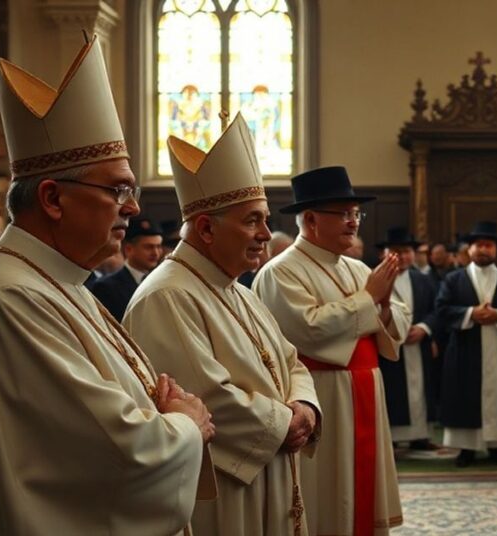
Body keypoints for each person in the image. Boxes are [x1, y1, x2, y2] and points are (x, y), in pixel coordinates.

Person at [0, 36, 213, 534]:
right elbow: (109, 447)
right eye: (117, 190)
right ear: (52, 198)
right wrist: (186, 423)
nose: (132, 207)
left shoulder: (63, 281)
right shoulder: (11, 293)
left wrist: (166, 415)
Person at [123, 115, 320, 536]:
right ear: (207, 228)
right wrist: (284, 422)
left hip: (271, 468)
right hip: (228, 490)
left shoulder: (237, 289)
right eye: (253, 220)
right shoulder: (168, 295)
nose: (266, 234)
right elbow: (205, 398)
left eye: (265, 220)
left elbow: (290, 361)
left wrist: (305, 407)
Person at [255, 166, 410, 536]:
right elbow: (307, 328)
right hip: (321, 395)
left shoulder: (357, 268)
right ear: (309, 219)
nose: (353, 222)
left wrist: (384, 307)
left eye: (356, 213)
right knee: (326, 493)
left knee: (362, 493)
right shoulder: (280, 272)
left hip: (365, 390)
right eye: (342, 213)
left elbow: (397, 319)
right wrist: (371, 299)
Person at [436, 221, 497, 467]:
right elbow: (442, 310)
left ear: (496, 250)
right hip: (465, 349)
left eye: (488, 245)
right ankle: (466, 449)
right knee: (465, 395)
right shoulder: (453, 279)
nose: (483, 250)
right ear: (469, 250)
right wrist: (471, 314)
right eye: (478, 245)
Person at [375, 226, 441, 450]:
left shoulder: (424, 280)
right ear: (383, 254)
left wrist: (424, 328)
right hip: (388, 348)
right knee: (393, 389)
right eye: (395, 251)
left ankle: (420, 436)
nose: (402, 256)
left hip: (418, 344)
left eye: (406, 251)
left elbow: (437, 310)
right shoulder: (374, 278)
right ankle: (391, 438)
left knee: (420, 389)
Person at [90, 217, 163, 321]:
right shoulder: (106, 287)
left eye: (158, 247)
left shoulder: (159, 281)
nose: (156, 253)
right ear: (129, 249)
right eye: (148, 247)